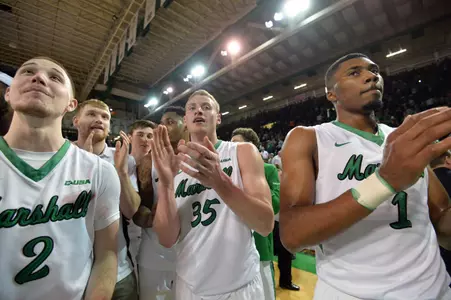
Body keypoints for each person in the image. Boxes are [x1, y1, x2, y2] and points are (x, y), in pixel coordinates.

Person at [280, 52, 451, 299]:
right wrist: (384, 181)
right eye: (355, 73)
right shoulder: (309, 137)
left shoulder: (405, 137)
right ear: (331, 93)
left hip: (434, 291)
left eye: (375, 71)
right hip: (351, 293)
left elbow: (442, 216)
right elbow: (293, 234)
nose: (371, 77)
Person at [0, 57, 120, 300]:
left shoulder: (100, 171)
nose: (39, 78)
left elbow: (106, 254)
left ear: (71, 104)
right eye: (28, 72)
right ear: (8, 93)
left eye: (54, 77)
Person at [151, 90, 274, 300]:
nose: (198, 110)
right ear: (186, 120)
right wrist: (166, 185)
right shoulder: (173, 164)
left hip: (240, 285)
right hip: (190, 285)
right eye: (192, 108)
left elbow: (265, 224)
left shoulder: (243, 151)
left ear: (218, 118)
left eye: (206, 107)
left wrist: (220, 183)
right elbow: (167, 239)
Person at [73, 99, 139, 300]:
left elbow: (131, 210)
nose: (99, 120)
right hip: (73, 276)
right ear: (75, 121)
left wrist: (121, 173)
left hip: (119, 271)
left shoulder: (123, 158)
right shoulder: (64, 156)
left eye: (105, 117)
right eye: (91, 114)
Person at [134, 106, 189, 300]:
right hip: (155, 255)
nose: (163, 128)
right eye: (162, 123)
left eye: (170, 122)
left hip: (191, 254)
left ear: (186, 125)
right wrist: (156, 215)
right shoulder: (148, 161)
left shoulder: (198, 157)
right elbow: (139, 209)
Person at [231, 127, 283, 299]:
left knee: (265, 292)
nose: (233, 149)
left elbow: (275, 203)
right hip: (231, 246)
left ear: (252, 147)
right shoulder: (226, 171)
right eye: (231, 145)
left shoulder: (268, 169)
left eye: (238, 145)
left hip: (260, 244)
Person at [126, 120, 157, 274]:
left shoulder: (160, 167)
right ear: (130, 137)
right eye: (140, 135)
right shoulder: (118, 164)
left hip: (152, 242)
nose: (145, 139)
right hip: (124, 242)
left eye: (150, 136)